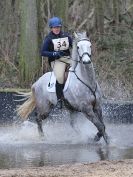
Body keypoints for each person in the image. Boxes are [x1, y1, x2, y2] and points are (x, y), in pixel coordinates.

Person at [41, 17, 73, 109]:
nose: (57, 29)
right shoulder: (48, 39)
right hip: (56, 61)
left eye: (58, 27)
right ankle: (59, 99)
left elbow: (73, 44)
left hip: (68, 59)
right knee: (60, 76)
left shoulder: (66, 35)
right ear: (51, 28)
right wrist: (54, 53)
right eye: (55, 27)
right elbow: (43, 52)